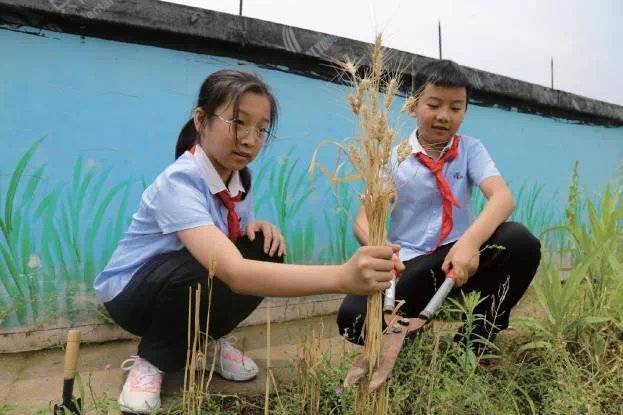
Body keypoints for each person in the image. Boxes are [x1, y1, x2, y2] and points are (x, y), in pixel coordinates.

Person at [93, 69, 403, 413]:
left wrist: (256, 226)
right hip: (132, 296)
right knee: (204, 269)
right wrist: (342, 278)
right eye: (238, 123)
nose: (250, 139)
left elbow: (228, 241)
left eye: (260, 128)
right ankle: (150, 362)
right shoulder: (179, 181)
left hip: (183, 280)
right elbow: (233, 271)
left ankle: (205, 342)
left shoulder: (238, 179)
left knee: (265, 250)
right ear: (201, 120)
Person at [337, 60, 541, 358]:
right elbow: (363, 221)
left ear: (465, 111)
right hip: (409, 265)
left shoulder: (470, 149)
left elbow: (502, 198)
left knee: (521, 242)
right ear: (413, 105)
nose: (444, 116)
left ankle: (474, 341)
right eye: (434, 104)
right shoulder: (392, 157)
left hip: (460, 261)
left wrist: (469, 244)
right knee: (352, 318)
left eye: (456, 108)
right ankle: (407, 333)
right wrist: (381, 250)